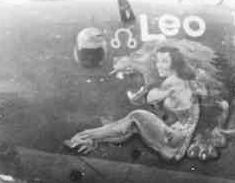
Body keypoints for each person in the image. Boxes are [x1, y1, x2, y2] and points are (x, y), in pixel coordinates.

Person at [67, 45, 206, 160]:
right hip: (178, 141)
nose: (159, 65)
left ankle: (84, 137)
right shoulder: (183, 81)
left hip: (174, 139)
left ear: (175, 64)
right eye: (158, 61)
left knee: (137, 115)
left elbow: (150, 98)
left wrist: (135, 70)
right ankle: (90, 139)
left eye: (164, 61)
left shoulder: (174, 82)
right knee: (132, 126)